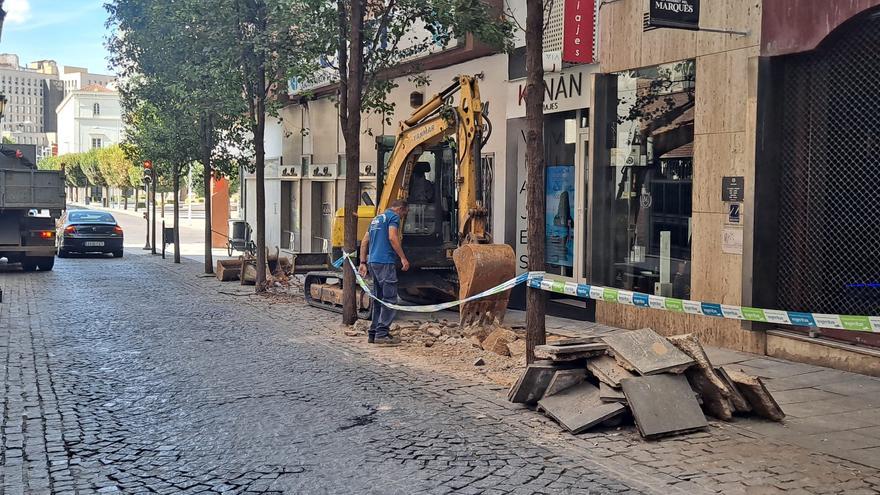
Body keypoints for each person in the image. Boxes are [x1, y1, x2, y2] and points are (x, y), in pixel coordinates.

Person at [358, 199, 410, 345]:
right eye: (404, 213)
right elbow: (392, 237)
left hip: (373, 262)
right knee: (390, 298)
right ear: (400, 209)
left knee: (378, 298)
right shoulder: (393, 217)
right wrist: (403, 258)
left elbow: (364, 241)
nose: (403, 217)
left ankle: (373, 333)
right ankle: (382, 334)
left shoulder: (376, 219)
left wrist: (362, 262)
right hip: (385, 262)